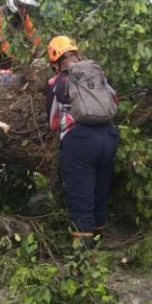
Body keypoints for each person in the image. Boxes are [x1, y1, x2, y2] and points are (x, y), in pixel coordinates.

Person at [45, 36, 118, 247]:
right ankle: (100, 243)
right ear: (77, 53)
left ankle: (83, 260)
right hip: (108, 136)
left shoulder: (56, 82)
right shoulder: (96, 73)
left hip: (80, 141)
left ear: (55, 63)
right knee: (100, 192)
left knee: (81, 197)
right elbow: (114, 100)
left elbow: (52, 122)